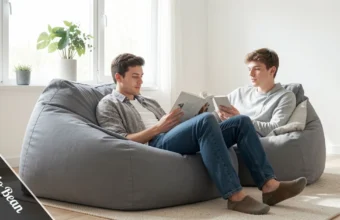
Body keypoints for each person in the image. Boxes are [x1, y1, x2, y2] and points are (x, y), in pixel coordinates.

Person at [96, 53, 306, 215]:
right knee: (205, 122)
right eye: (135, 77)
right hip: (155, 144)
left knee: (240, 121)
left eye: (141, 76)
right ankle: (235, 195)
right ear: (118, 77)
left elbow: (173, 126)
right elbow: (118, 140)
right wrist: (157, 128)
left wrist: (193, 116)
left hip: (170, 136)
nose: (140, 82)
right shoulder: (108, 104)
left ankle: (270, 186)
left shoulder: (147, 101)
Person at [218, 48, 296, 137]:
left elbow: (275, 128)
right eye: (249, 69)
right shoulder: (240, 92)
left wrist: (241, 120)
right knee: (206, 119)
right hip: (220, 134)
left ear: (272, 71)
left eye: (257, 69)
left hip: (244, 139)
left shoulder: (285, 97)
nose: (251, 74)